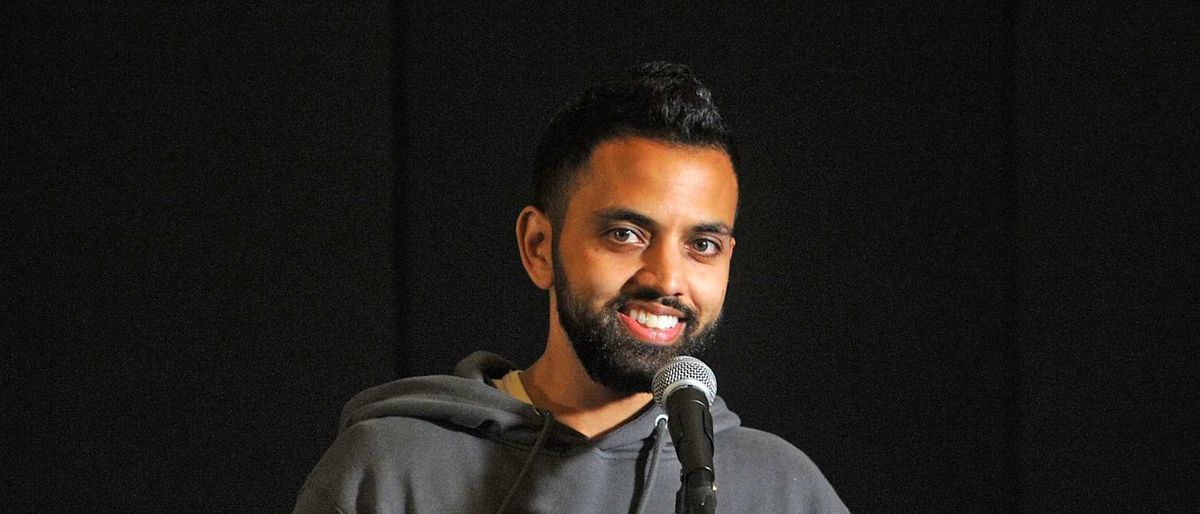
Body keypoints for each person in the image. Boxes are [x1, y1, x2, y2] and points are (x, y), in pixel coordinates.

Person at [293, 62, 847, 513]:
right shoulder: (390, 472)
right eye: (625, 234)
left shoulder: (782, 491)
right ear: (539, 246)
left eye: (702, 244)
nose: (667, 279)